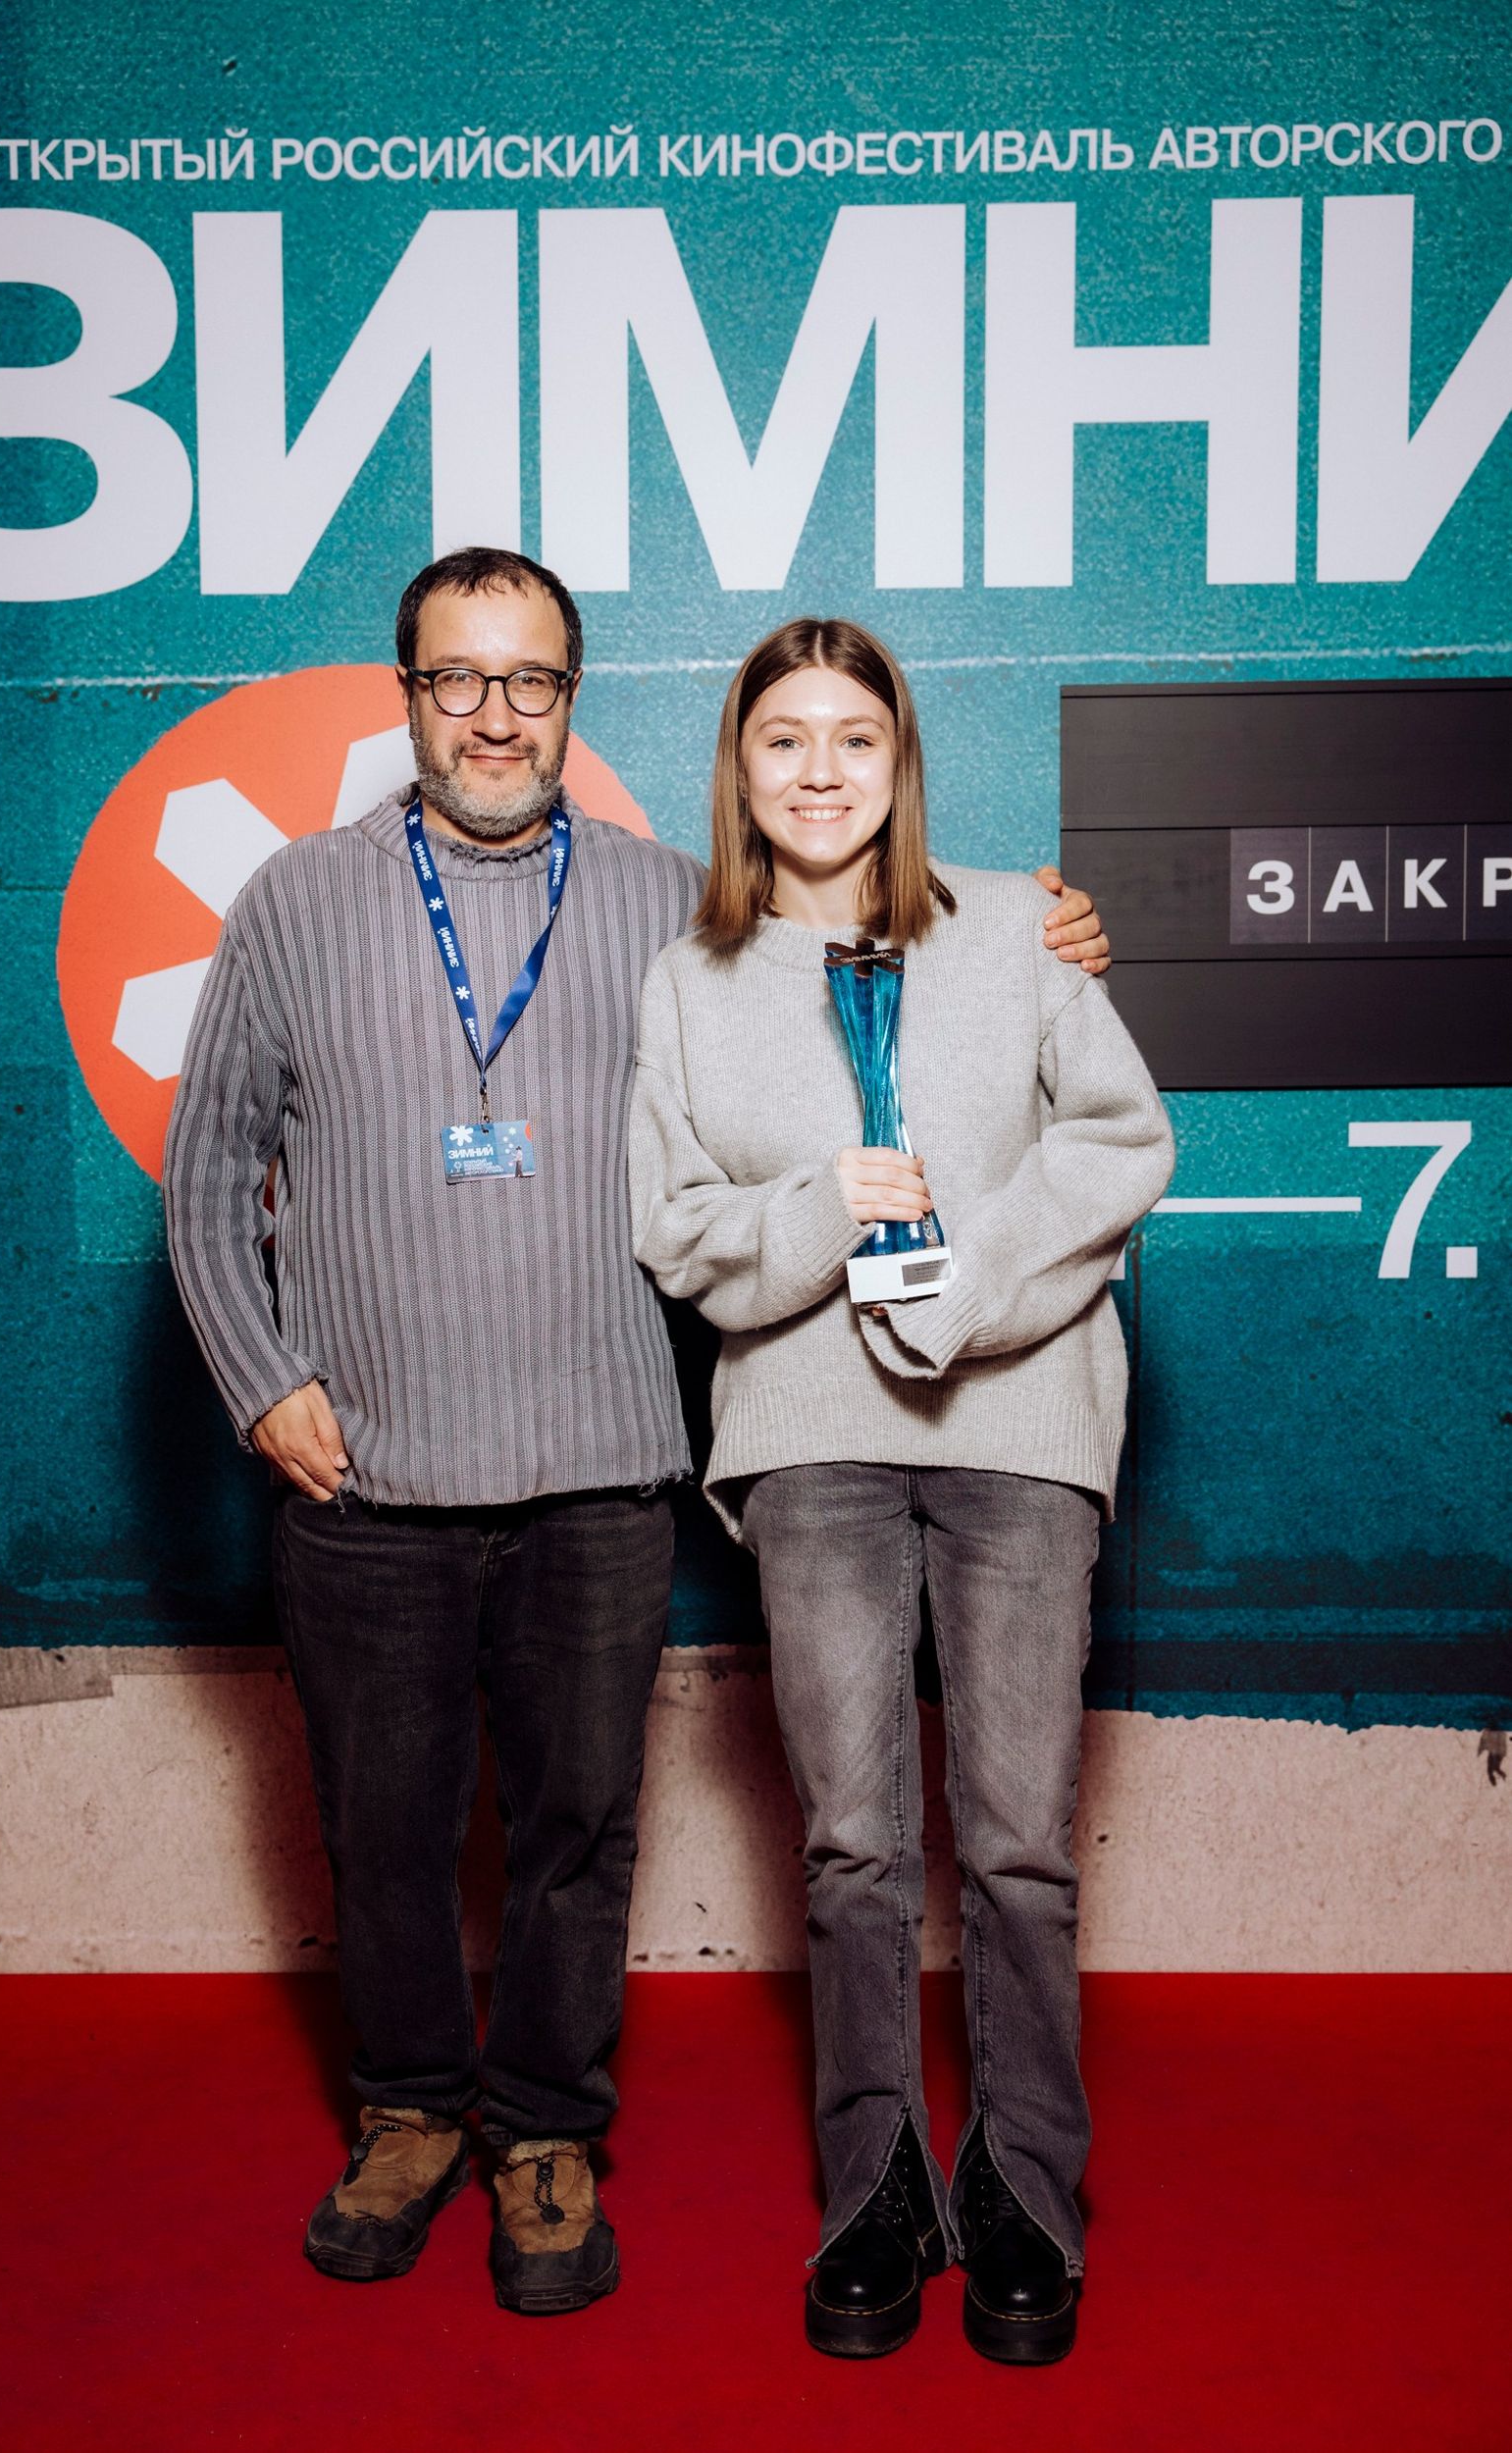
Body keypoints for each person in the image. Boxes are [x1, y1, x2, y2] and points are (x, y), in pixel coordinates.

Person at [163, 549, 1113, 2316]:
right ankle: (406, 2110)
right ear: (407, 695)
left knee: (580, 1830)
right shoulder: (294, 902)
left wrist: (1041, 926)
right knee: (382, 1830)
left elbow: (868, 940)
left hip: (604, 1465)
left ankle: (544, 2131)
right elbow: (209, 1169)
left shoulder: (678, 910)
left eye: (530, 681)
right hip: (364, 1464)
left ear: (572, 699)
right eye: (458, 679)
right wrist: (258, 1374)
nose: (494, 716)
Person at [630, 617, 1174, 2363]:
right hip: (810, 1435)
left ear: (901, 759)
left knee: (1018, 1841)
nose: (819, 771)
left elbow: (1122, 1139)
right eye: (782, 739)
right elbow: (676, 1227)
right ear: (740, 770)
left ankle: (1026, 2185)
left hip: (1017, 1424)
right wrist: (823, 1214)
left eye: (853, 738)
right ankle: (874, 2183)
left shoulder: (1018, 928)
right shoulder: (688, 980)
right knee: (853, 1842)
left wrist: (969, 1282)